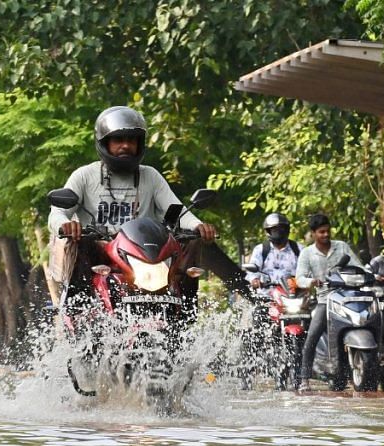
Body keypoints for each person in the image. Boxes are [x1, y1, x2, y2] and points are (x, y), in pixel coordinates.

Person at [48, 106, 216, 301]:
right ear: (104, 143)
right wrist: (65, 225)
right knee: (81, 242)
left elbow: (176, 211)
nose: (126, 145)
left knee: (191, 241)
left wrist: (198, 226)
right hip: (101, 253)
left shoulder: (151, 176)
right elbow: (57, 212)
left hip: (146, 255)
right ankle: (79, 308)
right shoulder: (84, 176)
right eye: (118, 139)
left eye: (131, 140)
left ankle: (185, 310)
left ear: (140, 144)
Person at [294, 213, 364, 389]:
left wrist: (376, 276)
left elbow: (359, 267)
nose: (326, 235)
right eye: (321, 232)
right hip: (326, 299)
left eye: (328, 231)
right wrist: (312, 282)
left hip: (348, 296)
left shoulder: (341, 247)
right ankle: (304, 379)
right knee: (312, 335)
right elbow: (299, 278)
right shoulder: (307, 253)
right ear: (313, 233)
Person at [245, 213, 302, 293]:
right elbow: (252, 272)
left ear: (287, 229)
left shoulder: (299, 249)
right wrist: (255, 280)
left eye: (281, 229)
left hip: (294, 295)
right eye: (274, 230)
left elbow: (307, 271)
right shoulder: (261, 250)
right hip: (267, 297)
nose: (278, 232)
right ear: (268, 231)